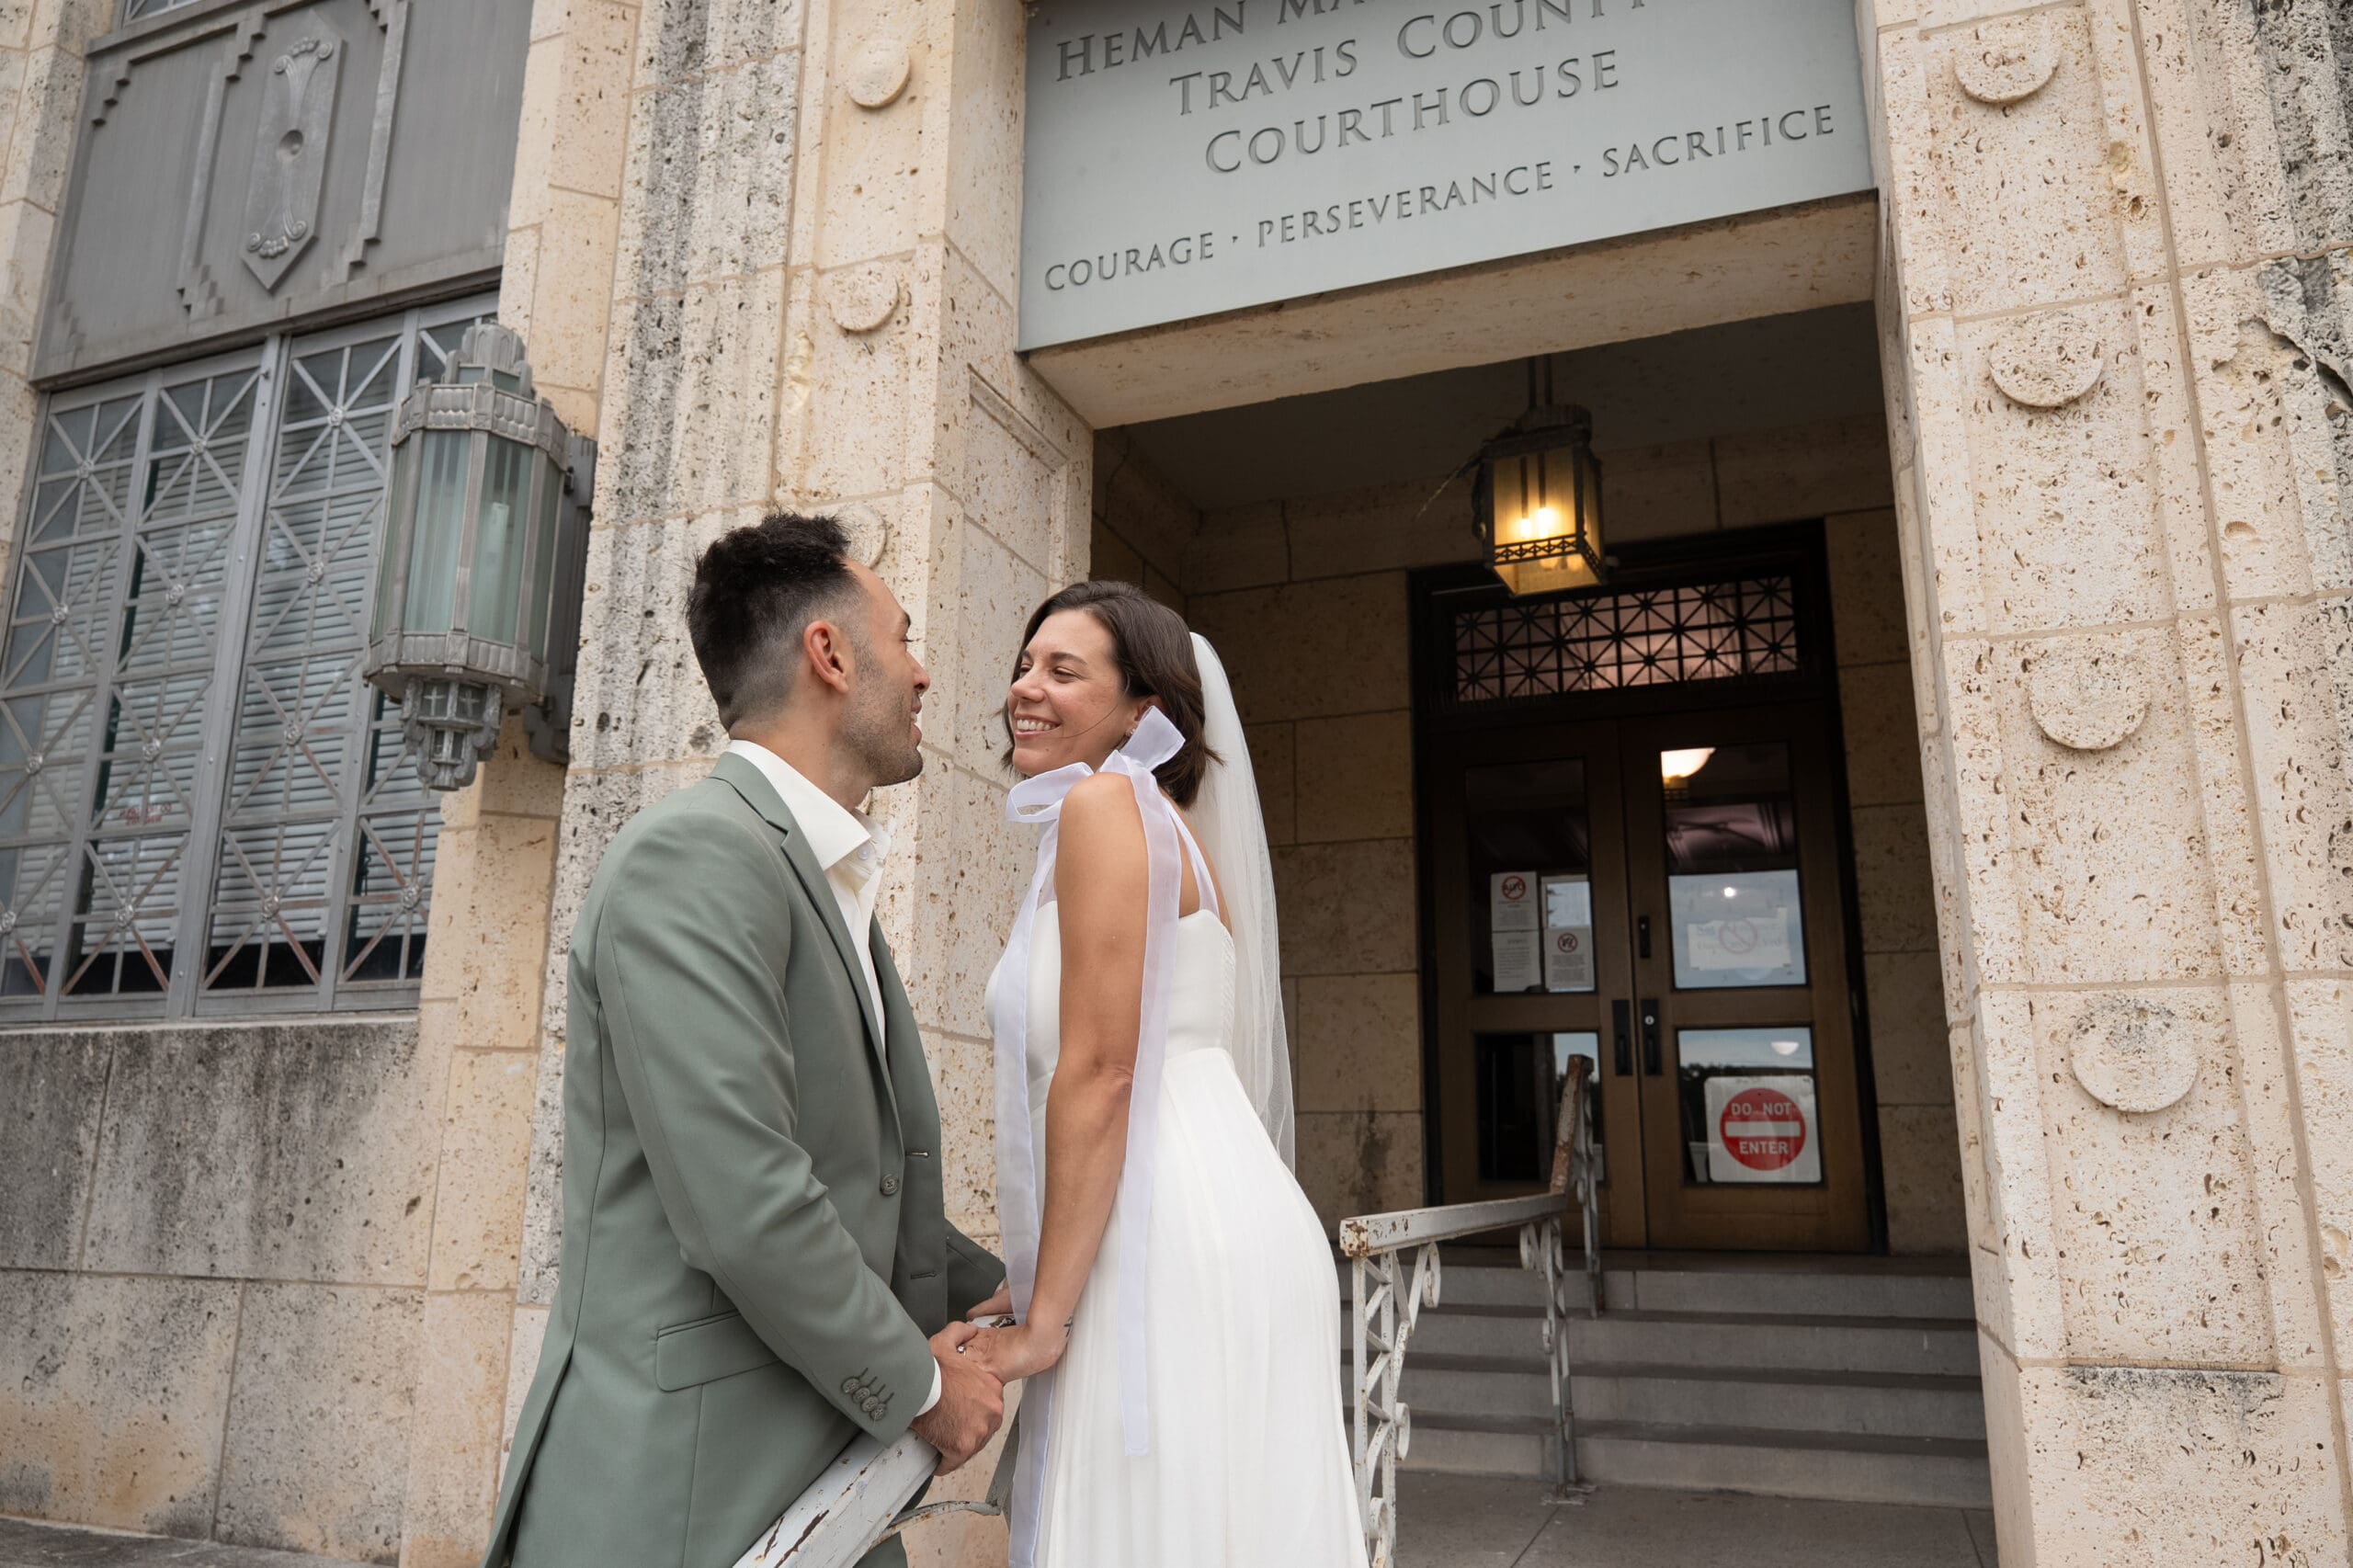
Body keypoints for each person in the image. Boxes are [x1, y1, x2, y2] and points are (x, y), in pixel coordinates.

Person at [482, 514, 1007, 1568]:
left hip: (817, 1476)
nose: (922, 674)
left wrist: (995, 1283)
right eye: (901, 637)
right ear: (829, 652)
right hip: (688, 1493)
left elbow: (851, 1172)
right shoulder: (692, 857)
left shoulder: (814, 874)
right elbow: (745, 1200)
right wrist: (921, 1386)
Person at [972, 581, 1370, 1567]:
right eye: (1025, 663)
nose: (1026, 686)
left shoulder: (1110, 806)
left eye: (1064, 670)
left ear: (1143, 711)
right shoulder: (1163, 828)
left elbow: (1104, 1071)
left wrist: (1043, 1322)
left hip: (1164, 1235)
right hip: (1221, 1216)